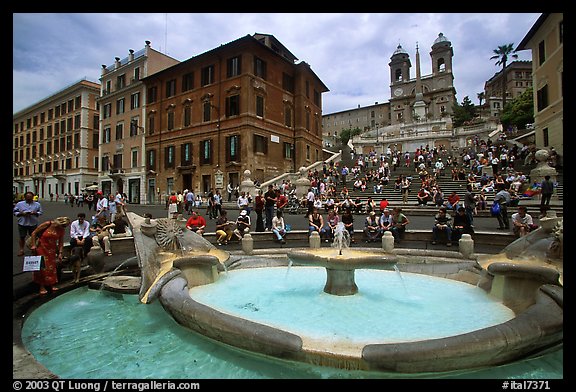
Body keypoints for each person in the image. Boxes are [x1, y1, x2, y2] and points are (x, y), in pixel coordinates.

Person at [29, 216, 70, 295]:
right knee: (42, 267)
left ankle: (50, 284)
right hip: (41, 247)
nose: (64, 227)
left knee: (51, 267)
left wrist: (60, 253)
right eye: (64, 225)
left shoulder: (61, 230)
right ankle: (42, 286)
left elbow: (61, 242)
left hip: (51, 249)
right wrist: (33, 245)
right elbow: (34, 233)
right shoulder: (48, 224)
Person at [14, 191, 43, 256]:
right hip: (22, 223)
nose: (29, 199)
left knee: (34, 237)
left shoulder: (37, 204)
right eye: (28, 198)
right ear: (25, 198)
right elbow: (15, 212)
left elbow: (40, 212)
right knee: (22, 237)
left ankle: (33, 249)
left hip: (33, 223)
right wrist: (21, 213)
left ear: (33, 197)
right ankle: (21, 249)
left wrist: (35, 213)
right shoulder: (19, 204)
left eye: (30, 198)